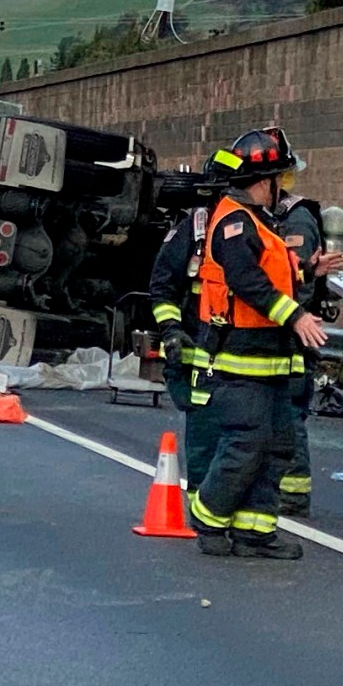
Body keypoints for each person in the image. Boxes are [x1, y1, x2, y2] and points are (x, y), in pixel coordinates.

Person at [189, 127, 331, 561]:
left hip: (272, 360)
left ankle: (255, 531)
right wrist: (296, 315)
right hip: (242, 358)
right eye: (279, 179)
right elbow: (247, 281)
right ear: (264, 180)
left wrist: (311, 269)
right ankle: (210, 520)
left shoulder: (260, 222)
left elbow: (276, 277)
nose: (282, 188)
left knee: (276, 446)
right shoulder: (234, 222)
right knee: (245, 445)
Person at [262, 126, 343, 517]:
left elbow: (297, 284)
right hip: (278, 332)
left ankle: (294, 492)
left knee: (290, 413)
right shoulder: (264, 215)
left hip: (295, 336)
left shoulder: (296, 220)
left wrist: (289, 319)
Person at [145, 185, 218, 486]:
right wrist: (172, 331)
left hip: (246, 362)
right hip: (198, 358)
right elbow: (162, 287)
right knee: (204, 441)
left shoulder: (262, 230)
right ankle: (207, 520)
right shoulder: (195, 231)